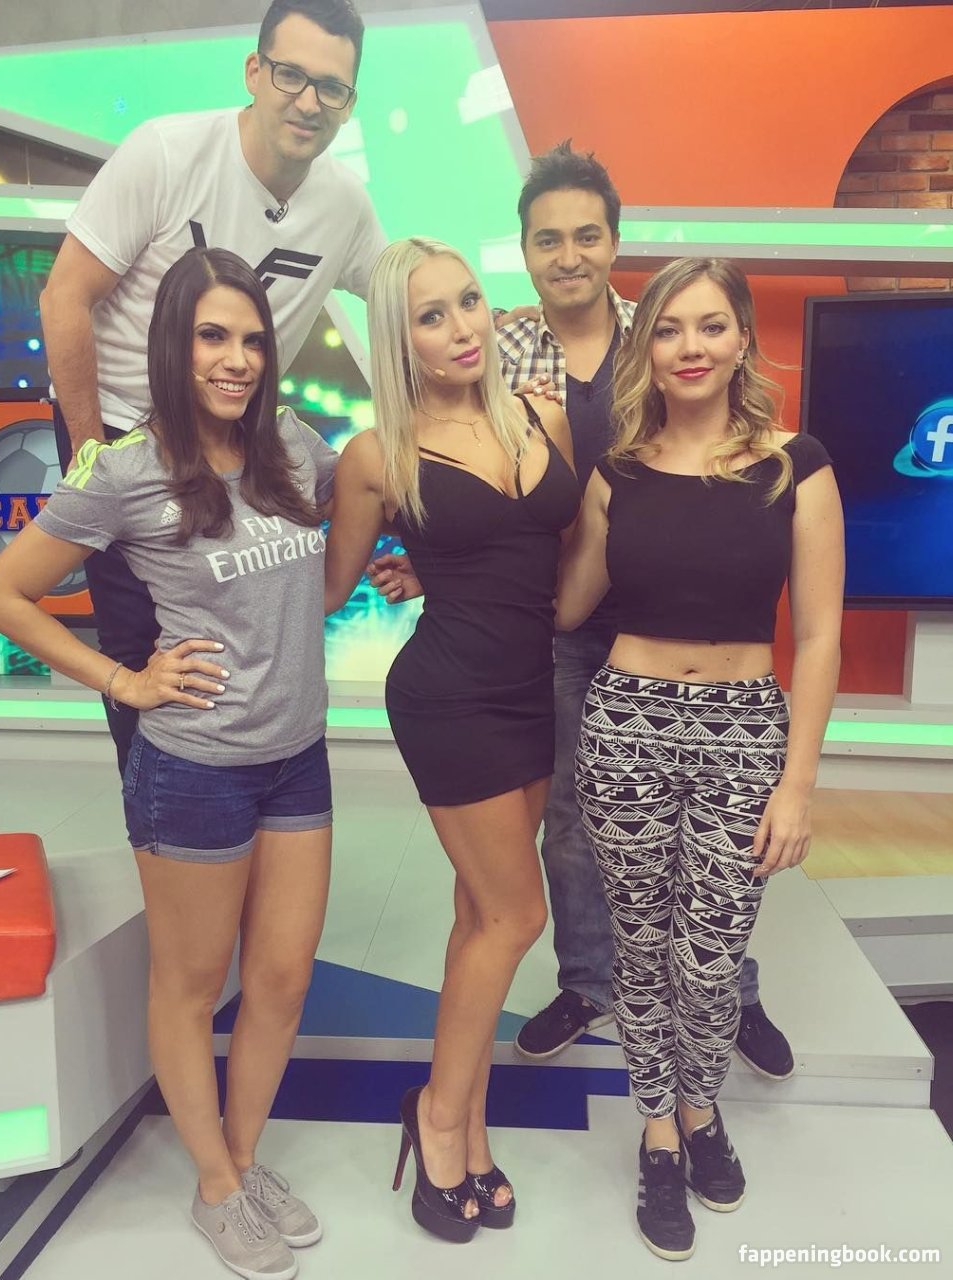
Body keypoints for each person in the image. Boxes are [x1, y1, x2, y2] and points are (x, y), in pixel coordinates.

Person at [373, 142, 796, 1082]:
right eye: (547, 239)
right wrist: (444, 569)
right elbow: (482, 488)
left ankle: (728, 992)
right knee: (571, 819)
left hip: (669, 616)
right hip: (558, 621)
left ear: (613, 241)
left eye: (586, 236)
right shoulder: (497, 347)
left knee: (704, 828)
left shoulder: (664, 333)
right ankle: (587, 981)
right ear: (524, 250)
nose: (568, 256)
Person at [0, 248, 338, 1280]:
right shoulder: (124, 471)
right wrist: (123, 680)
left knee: (280, 976)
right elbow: (1, 595)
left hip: (296, 757)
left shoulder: (290, 446)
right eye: (212, 336)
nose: (235, 359)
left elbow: (359, 505)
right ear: (172, 346)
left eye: (251, 339)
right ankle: (215, 1183)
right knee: (190, 983)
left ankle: (244, 1156)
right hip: (194, 768)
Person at [556, 256, 844, 1261]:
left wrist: (797, 784)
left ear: (740, 339)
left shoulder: (795, 464)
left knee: (710, 955)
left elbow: (818, 635)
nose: (688, 346)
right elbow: (565, 604)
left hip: (744, 731)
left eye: (709, 325)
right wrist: (439, 559)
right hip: (624, 724)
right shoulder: (616, 473)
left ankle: (700, 1104)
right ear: (647, 346)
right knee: (638, 949)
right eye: (669, 328)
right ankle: (658, 1130)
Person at [39, 0, 386, 777]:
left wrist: (494, 316)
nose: (308, 101)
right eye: (291, 75)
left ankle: (256, 792)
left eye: (331, 87)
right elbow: (66, 296)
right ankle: (161, 823)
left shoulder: (344, 204)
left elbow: (401, 297)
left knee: (240, 623)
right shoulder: (167, 152)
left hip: (237, 434)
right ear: (254, 71)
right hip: (123, 427)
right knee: (141, 648)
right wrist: (94, 457)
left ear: (349, 102)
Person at [324, 238, 578, 1242]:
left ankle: (464, 1120)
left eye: (467, 302)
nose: (461, 327)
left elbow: (537, 547)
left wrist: (439, 567)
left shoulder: (541, 414)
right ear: (401, 341)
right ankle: (435, 1114)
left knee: (479, 913)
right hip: (449, 696)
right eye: (430, 316)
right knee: (515, 916)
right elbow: (327, 586)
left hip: (531, 690)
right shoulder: (376, 456)